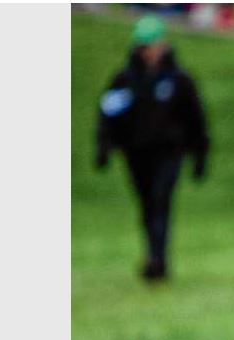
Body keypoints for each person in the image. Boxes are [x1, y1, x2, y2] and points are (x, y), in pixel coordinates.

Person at [96, 15, 209, 281]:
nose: (149, 51)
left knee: (160, 201)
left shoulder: (179, 79)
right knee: (147, 204)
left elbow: (196, 119)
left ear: (163, 44)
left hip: (169, 153)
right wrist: (104, 147)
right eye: (144, 46)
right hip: (136, 153)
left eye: (153, 45)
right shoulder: (125, 79)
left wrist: (200, 154)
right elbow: (108, 115)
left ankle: (157, 259)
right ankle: (153, 253)